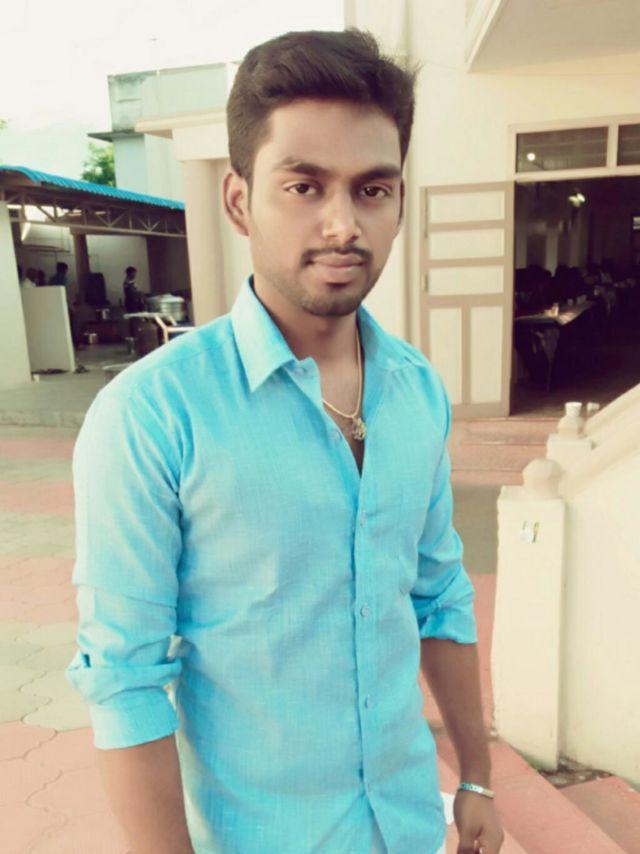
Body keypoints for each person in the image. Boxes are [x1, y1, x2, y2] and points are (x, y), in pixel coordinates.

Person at [66, 29, 503, 854]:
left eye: (373, 189)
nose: (343, 224)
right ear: (238, 200)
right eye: (304, 185)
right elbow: (124, 679)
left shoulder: (416, 393)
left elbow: (439, 593)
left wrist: (476, 776)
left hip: (408, 824)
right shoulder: (153, 416)